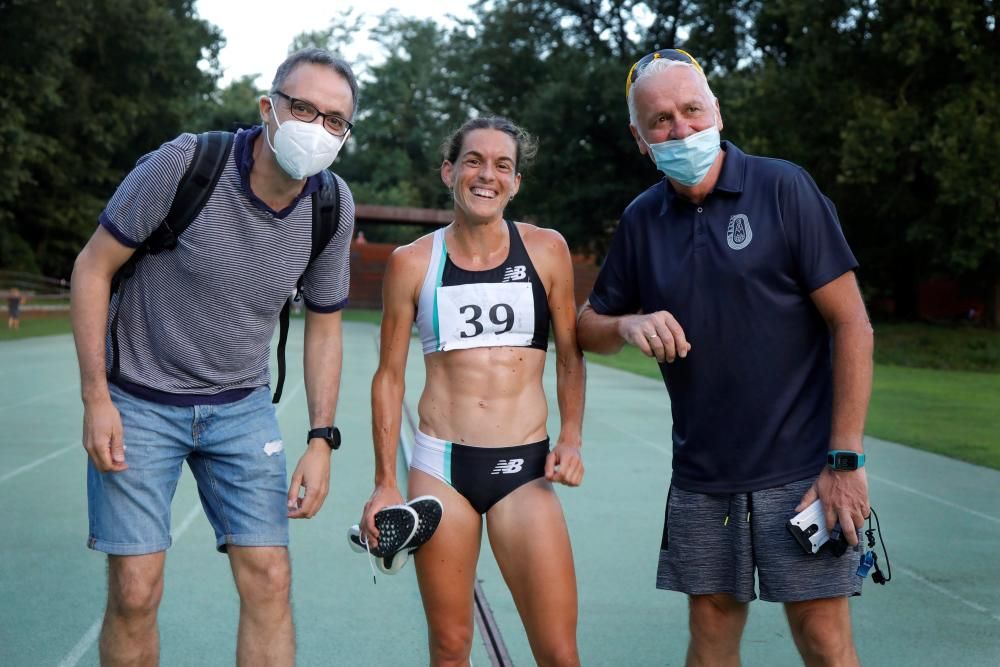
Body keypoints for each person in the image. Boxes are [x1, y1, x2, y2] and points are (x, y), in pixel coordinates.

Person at [577, 49, 874, 666]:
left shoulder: (784, 187)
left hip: (804, 467)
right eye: (660, 120)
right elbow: (586, 328)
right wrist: (629, 324)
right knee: (710, 637)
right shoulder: (640, 220)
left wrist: (844, 460)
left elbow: (852, 324)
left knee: (823, 638)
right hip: (703, 474)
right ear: (640, 138)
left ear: (716, 110)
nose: (680, 129)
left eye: (691, 110)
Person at [69, 47, 357, 666]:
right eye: (302, 108)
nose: (317, 127)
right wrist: (97, 397)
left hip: (241, 407)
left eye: (335, 120)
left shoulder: (331, 206)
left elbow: (325, 325)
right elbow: (92, 269)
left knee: (270, 579)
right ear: (268, 109)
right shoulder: (186, 164)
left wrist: (320, 438)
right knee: (137, 591)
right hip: (139, 401)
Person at [361, 116, 586, 666]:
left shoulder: (547, 250)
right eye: (474, 161)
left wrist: (573, 437)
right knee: (451, 645)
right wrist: (385, 483)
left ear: (516, 183)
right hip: (441, 467)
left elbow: (570, 356)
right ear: (449, 171)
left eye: (502, 165)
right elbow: (389, 376)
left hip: (525, 467)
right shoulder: (411, 262)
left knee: (558, 651)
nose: (488, 175)